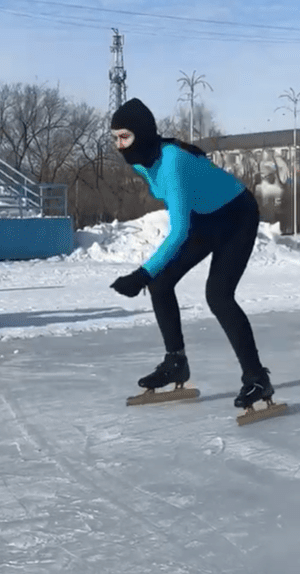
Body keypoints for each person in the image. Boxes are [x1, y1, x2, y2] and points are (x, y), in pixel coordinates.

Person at [107, 98, 275, 411]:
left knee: (219, 296)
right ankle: (176, 363)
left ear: (142, 134)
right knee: (160, 284)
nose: (119, 145)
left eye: (124, 137)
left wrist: (141, 273)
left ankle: (256, 378)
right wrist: (151, 275)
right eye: (115, 138)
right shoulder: (143, 161)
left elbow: (179, 230)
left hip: (237, 215)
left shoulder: (172, 162)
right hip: (205, 218)